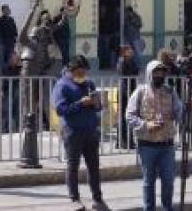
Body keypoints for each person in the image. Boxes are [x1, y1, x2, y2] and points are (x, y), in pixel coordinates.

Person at [126, 60, 183, 211]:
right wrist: (146, 125)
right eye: (156, 72)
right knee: (148, 182)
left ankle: (167, 208)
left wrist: (180, 111)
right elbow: (129, 116)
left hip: (167, 145)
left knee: (168, 181)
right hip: (147, 145)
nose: (160, 75)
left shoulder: (170, 91)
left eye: (162, 72)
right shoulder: (140, 92)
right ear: (150, 74)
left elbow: (179, 111)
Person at [53, 55, 107, 211]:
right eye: (80, 71)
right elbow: (60, 109)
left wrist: (97, 103)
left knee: (94, 166)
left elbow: (98, 107)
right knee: (73, 166)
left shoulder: (89, 84)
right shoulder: (62, 85)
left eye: (85, 71)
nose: (83, 74)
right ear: (72, 71)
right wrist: (79, 104)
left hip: (90, 130)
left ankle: (97, 197)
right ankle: (74, 198)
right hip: (73, 131)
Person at [116, 45, 140, 149]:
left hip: (131, 89)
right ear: (124, 52)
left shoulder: (132, 61)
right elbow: (125, 74)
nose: (132, 51)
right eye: (129, 50)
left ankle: (128, 141)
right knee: (123, 117)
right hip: (125, 90)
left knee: (129, 116)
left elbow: (136, 72)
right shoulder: (122, 61)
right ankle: (123, 141)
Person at [2, 50, 22, 132]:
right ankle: (7, 128)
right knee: (8, 110)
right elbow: (5, 80)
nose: (16, 61)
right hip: (8, 91)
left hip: (16, 91)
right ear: (10, 59)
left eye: (17, 59)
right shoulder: (5, 68)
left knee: (17, 110)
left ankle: (18, 126)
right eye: (14, 59)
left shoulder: (19, 68)